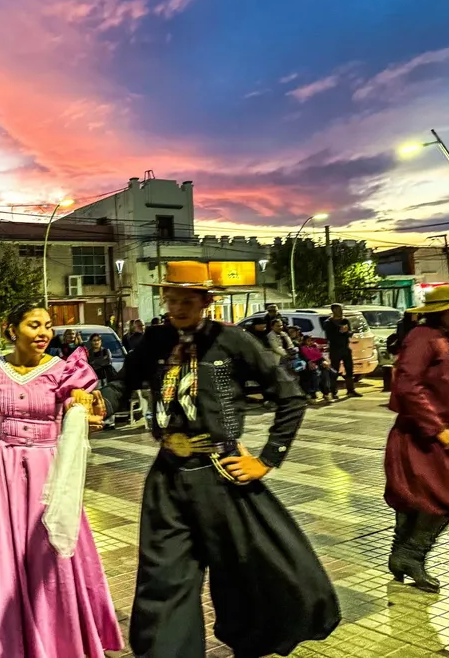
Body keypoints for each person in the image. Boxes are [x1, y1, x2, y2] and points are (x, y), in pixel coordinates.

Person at [99, 281, 339, 658]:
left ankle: (251, 639)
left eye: (187, 301)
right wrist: (100, 405)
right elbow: (122, 385)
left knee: (246, 575)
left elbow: (290, 396)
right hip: (168, 478)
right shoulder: (156, 340)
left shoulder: (232, 340)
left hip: (222, 475)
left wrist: (266, 460)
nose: (177, 308)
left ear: (207, 302)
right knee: (164, 578)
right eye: (172, 300)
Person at [0, 304, 122, 658]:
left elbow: (82, 405)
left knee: (50, 559)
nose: (45, 332)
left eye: (48, 326)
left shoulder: (65, 371)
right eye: (35, 325)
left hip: (48, 474)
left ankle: (55, 639)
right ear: (11, 329)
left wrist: (85, 409)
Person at [385, 286, 449, 593]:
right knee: (445, 495)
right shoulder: (423, 338)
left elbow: (440, 386)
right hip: (417, 435)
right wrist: (437, 427)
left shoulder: (444, 338)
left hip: (427, 433)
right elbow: (408, 387)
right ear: (443, 312)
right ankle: (409, 555)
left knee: (417, 497)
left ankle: (402, 558)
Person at [324, 304, 362, 399]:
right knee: (334, 370)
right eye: (338, 310)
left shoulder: (345, 320)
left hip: (345, 348)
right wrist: (339, 331)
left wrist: (346, 332)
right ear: (333, 311)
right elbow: (329, 336)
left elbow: (350, 332)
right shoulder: (328, 322)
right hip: (335, 349)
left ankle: (350, 390)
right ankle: (333, 391)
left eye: (341, 310)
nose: (340, 312)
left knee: (349, 369)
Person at [299, 335, 332, 403]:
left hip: (318, 364)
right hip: (308, 366)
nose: (310, 342)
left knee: (325, 374)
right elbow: (304, 357)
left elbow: (319, 356)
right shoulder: (303, 348)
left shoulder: (314, 347)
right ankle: (311, 395)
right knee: (314, 375)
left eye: (311, 340)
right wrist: (309, 362)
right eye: (308, 341)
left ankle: (326, 394)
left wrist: (324, 361)